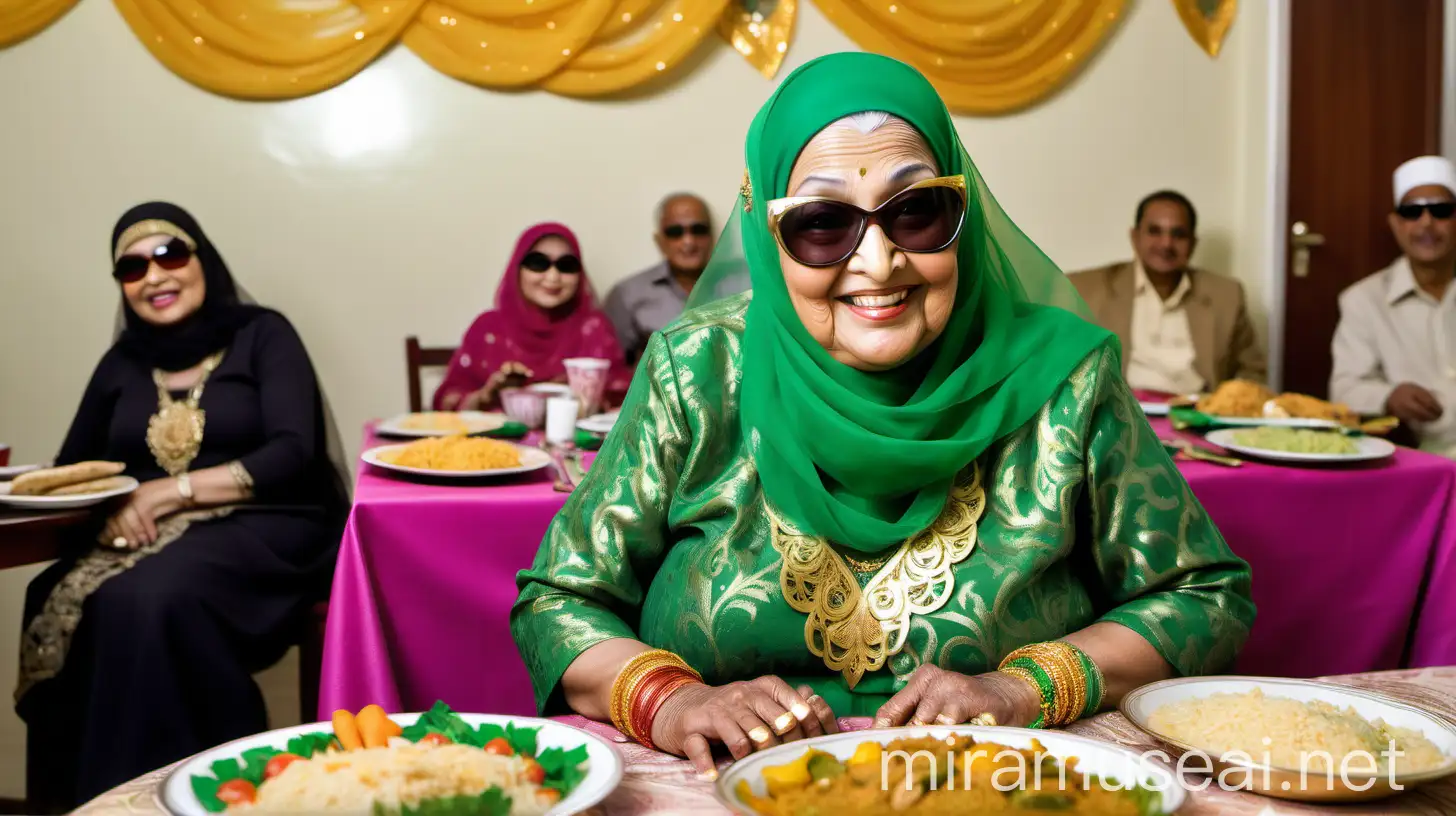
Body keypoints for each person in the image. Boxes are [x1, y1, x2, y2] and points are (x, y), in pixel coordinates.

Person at [513, 53, 1254, 776]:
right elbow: (561, 599)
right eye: (823, 223)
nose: (878, 261)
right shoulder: (697, 371)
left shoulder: (1065, 378)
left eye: (917, 211)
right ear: (768, 236)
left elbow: (1203, 595)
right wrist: (673, 703)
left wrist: (1022, 688)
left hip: (996, 785)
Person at [16, 202, 349, 811]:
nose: (155, 276)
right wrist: (113, 503)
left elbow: (295, 452)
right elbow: (72, 467)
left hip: (270, 524)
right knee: (53, 594)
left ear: (204, 260)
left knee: (154, 596)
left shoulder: (262, 334)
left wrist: (170, 491)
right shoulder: (122, 363)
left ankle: (201, 797)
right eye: (132, 268)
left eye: (170, 254)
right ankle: (90, 798)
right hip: (145, 537)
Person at [1070, 191, 1266, 395]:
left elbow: (1253, 371)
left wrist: (1229, 406)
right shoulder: (1088, 290)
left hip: (1198, 415)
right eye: (1155, 231)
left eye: (1178, 234)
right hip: (1120, 416)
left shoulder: (1226, 295)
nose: (1166, 244)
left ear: (1193, 243)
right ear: (1135, 237)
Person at [1331, 156, 1456, 457]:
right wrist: (1388, 397)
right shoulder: (1363, 300)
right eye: (1412, 212)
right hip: (1422, 460)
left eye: (1440, 210)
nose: (1426, 222)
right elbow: (1344, 390)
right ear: (1396, 224)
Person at [433, 223, 629, 411]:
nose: (553, 277)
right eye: (538, 264)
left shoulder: (594, 327)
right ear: (516, 270)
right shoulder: (488, 328)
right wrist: (486, 396)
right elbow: (446, 401)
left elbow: (626, 400)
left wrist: (589, 394)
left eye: (566, 266)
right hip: (495, 444)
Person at [604, 193, 714, 363]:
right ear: (659, 240)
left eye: (698, 230)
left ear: (712, 236)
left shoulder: (743, 287)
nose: (689, 241)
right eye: (675, 232)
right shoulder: (628, 294)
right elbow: (613, 369)